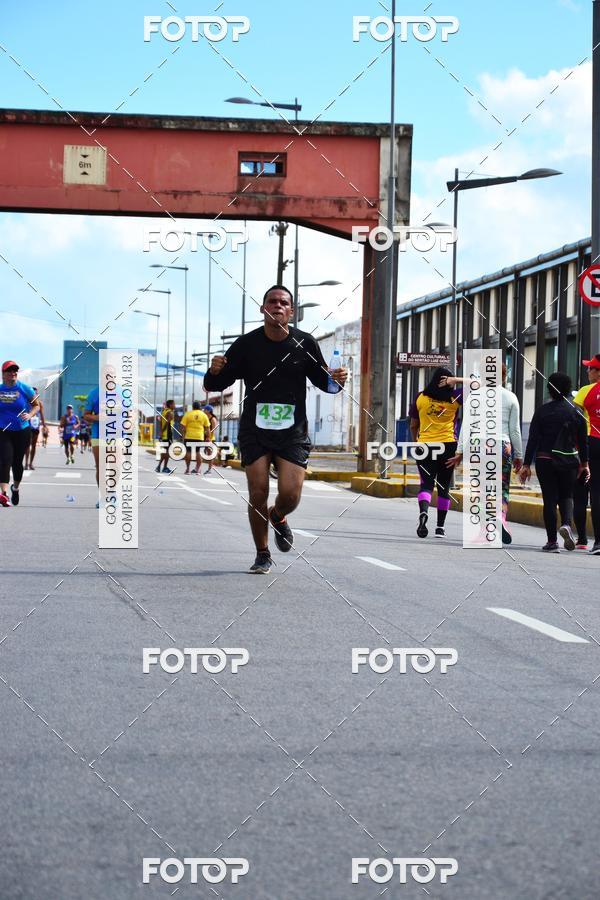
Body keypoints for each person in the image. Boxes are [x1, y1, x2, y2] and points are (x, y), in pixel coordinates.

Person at [203, 284, 348, 573]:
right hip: (254, 430)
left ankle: (278, 515)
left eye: (283, 303)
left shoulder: (305, 343)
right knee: (258, 492)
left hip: (292, 431)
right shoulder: (246, 345)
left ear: (292, 311)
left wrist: (338, 379)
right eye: (272, 301)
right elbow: (215, 385)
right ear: (263, 308)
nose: (277, 306)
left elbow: (326, 384)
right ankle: (262, 553)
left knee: (291, 494)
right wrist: (214, 370)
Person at [448, 363, 523, 544]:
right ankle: (500, 517)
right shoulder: (511, 397)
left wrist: (459, 451)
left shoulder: (474, 396)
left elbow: (466, 427)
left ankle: (483, 532)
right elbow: (515, 430)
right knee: (502, 488)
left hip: (479, 445)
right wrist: (519, 455)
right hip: (502, 445)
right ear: (503, 377)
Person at [520, 372, 589, 553]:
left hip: (545, 459)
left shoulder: (542, 411)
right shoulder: (576, 412)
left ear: (550, 389)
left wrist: (526, 464)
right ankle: (566, 524)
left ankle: (552, 542)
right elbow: (583, 441)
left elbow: (533, 439)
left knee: (549, 498)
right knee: (567, 495)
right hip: (569, 460)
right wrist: (584, 464)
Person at [409, 367, 462, 539]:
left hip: (425, 445)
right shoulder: (455, 397)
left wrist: (416, 443)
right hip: (448, 446)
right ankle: (440, 527)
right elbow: (479, 385)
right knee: (443, 487)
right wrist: (457, 380)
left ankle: (424, 513)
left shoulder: (420, 397)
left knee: (426, 484)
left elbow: (413, 425)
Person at [0, 360, 40, 507]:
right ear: (3, 374)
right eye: (9, 370)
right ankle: (4, 494)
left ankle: (15, 488)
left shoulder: (25, 388)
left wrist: (30, 415)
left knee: (17, 463)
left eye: (15, 370)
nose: (13, 373)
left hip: (22, 430)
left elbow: (36, 405)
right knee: (5, 460)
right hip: (3, 430)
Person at [573, 353, 600, 555]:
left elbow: (575, 418)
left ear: (598, 372)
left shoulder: (585, 391)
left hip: (593, 442)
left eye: (591, 368)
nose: (588, 371)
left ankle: (597, 542)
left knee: (595, 492)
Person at [180, 401, 211, 474]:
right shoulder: (204, 415)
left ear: (193, 407)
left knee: (188, 452)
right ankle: (198, 469)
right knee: (198, 452)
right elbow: (207, 428)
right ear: (200, 407)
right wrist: (208, 437)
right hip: (199, 437)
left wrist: (183, 435)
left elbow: (182, 426)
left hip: (189, 436)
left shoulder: (188, 414)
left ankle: (188, 469)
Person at [83, 386, 101, 508]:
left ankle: (112, 493)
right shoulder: (94, 393)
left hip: (118, 435)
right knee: (101, 467)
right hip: (99, 435)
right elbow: (86, 415)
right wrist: (97, 417)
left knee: (116, 467)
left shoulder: (123, 392)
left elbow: (131, 412)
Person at [24, 387, 46, 471]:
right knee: (27, 445)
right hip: (27, 425)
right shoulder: (26, 402)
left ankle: (31, 463)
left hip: (36, 426)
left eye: (36, 393)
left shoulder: (39, 403)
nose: (34, 395)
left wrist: (44, 426)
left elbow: (42, 415)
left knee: (33, 445)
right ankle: (26, 463)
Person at [155, 400, 175, 474]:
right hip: (168, 434)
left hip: (164, 434)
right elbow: (167, 422)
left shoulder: (164, 411)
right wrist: (163, 431)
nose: (175, 406)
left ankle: (159, 466)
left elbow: (160, 422)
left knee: (165, 451)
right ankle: (164, 467)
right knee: (168, 451)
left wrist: (161, 432)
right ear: (170, 405)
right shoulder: (170, 412)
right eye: (174, 404)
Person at [203, 404, 219, 473]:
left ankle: (209, 469)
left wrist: (209, 437)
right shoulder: (205, 418)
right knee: (204, 453)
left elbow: (214, 429)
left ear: (209, 411)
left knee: (210, 454)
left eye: (205, 410)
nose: (203, 410)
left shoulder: (213, 419)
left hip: (210, 438)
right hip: (204, 437)